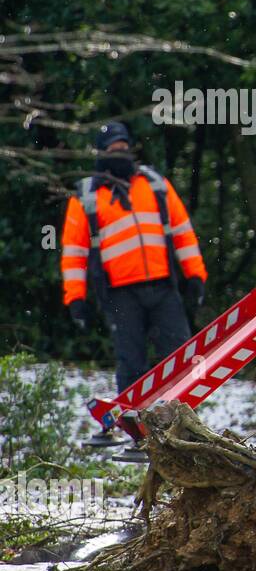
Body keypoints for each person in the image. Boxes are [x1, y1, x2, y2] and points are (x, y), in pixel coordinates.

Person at [61, 121, 207, 397]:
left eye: (123, 147)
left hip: (163, 286)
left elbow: (183, 233)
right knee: (131, 362)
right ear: (101, 153)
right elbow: (74, 253)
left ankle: (185, 419)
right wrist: (75, 299)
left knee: (180, 356)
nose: (119, 153)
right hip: (119, 293)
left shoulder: (154, 184)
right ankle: (133, 420)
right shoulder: (86, 196)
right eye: (113, 149)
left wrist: (196, 275)